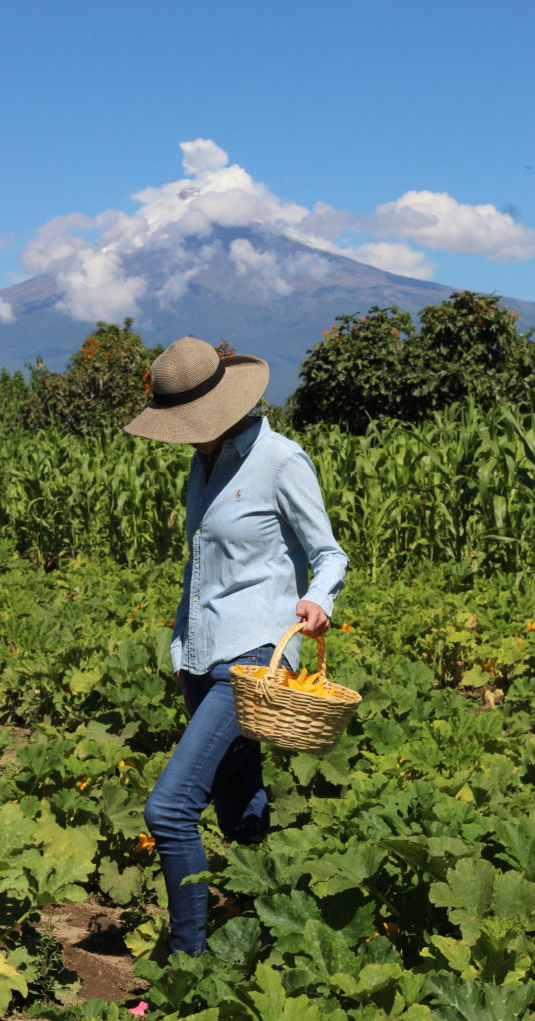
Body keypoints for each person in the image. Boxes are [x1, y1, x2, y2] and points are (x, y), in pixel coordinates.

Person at [123, 335, 348, 956]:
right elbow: (203, 567)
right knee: (237, 801)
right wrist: (181, 648)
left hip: (253, 659)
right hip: (200, 657)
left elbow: (328, 553)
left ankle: (189, 958)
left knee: (168, 810)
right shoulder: (203, 462)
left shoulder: (280, 460)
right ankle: (265, 932)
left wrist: (318, 601)